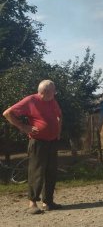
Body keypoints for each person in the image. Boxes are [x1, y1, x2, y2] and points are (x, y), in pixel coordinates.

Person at [3, 80, 62, 214]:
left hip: (52, 142)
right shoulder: (31, 100)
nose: (55, 94)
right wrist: (23, 127)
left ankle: (48, 202)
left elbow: (59, 115)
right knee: (36, 172)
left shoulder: (52, 101)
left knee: (51, 171)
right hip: (38, 141)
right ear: (45, 92)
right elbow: (7, 113)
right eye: (54, 91)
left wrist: (58, 130)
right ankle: (32, 203)